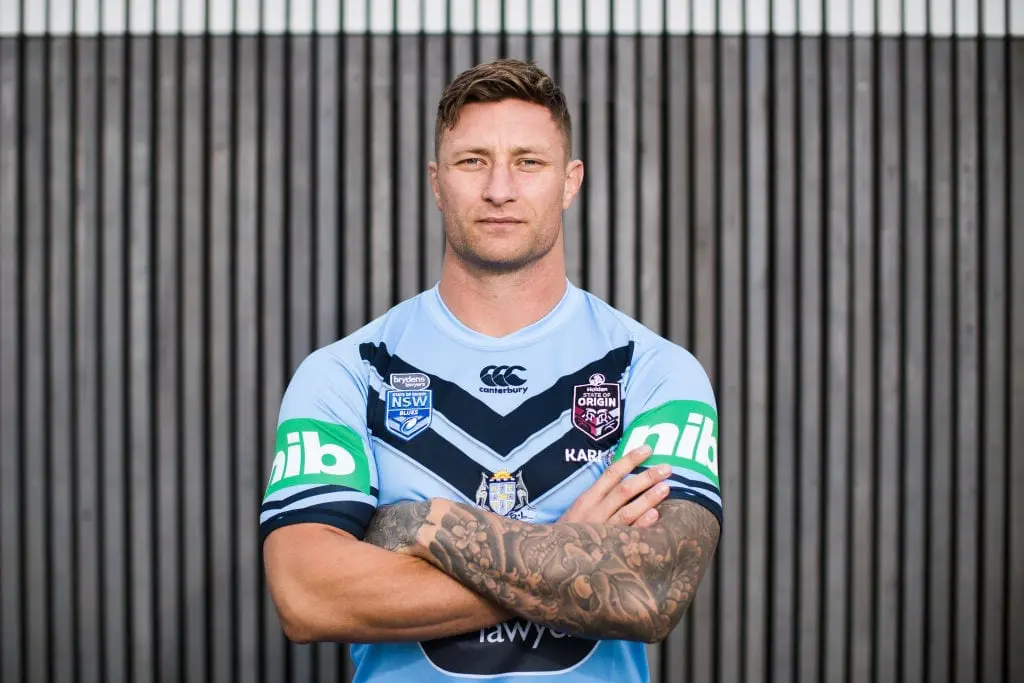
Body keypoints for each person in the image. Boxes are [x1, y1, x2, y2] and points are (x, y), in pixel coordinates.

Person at [260, 58, 722, 682]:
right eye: (472, 160)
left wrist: (423, 527)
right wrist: (571, 551)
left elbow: (653, 589)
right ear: (436, 181)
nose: (499, 189)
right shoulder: (348, 372)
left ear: (570, 181)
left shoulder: (652, 371)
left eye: (528, 162)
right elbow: (308, 597)